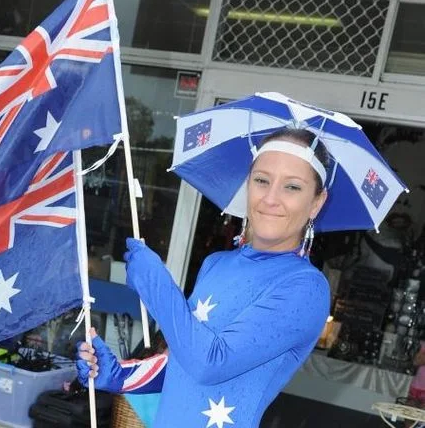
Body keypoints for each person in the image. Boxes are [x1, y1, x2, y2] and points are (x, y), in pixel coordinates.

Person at [77, 128, 332, 427]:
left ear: (316, 203)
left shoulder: (305, 288)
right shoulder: (216, 264)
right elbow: (182, 360)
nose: (270, 198)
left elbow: (210, 363)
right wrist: (119, 375)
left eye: (292, 187)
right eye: (262, 180)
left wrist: (156, 285)